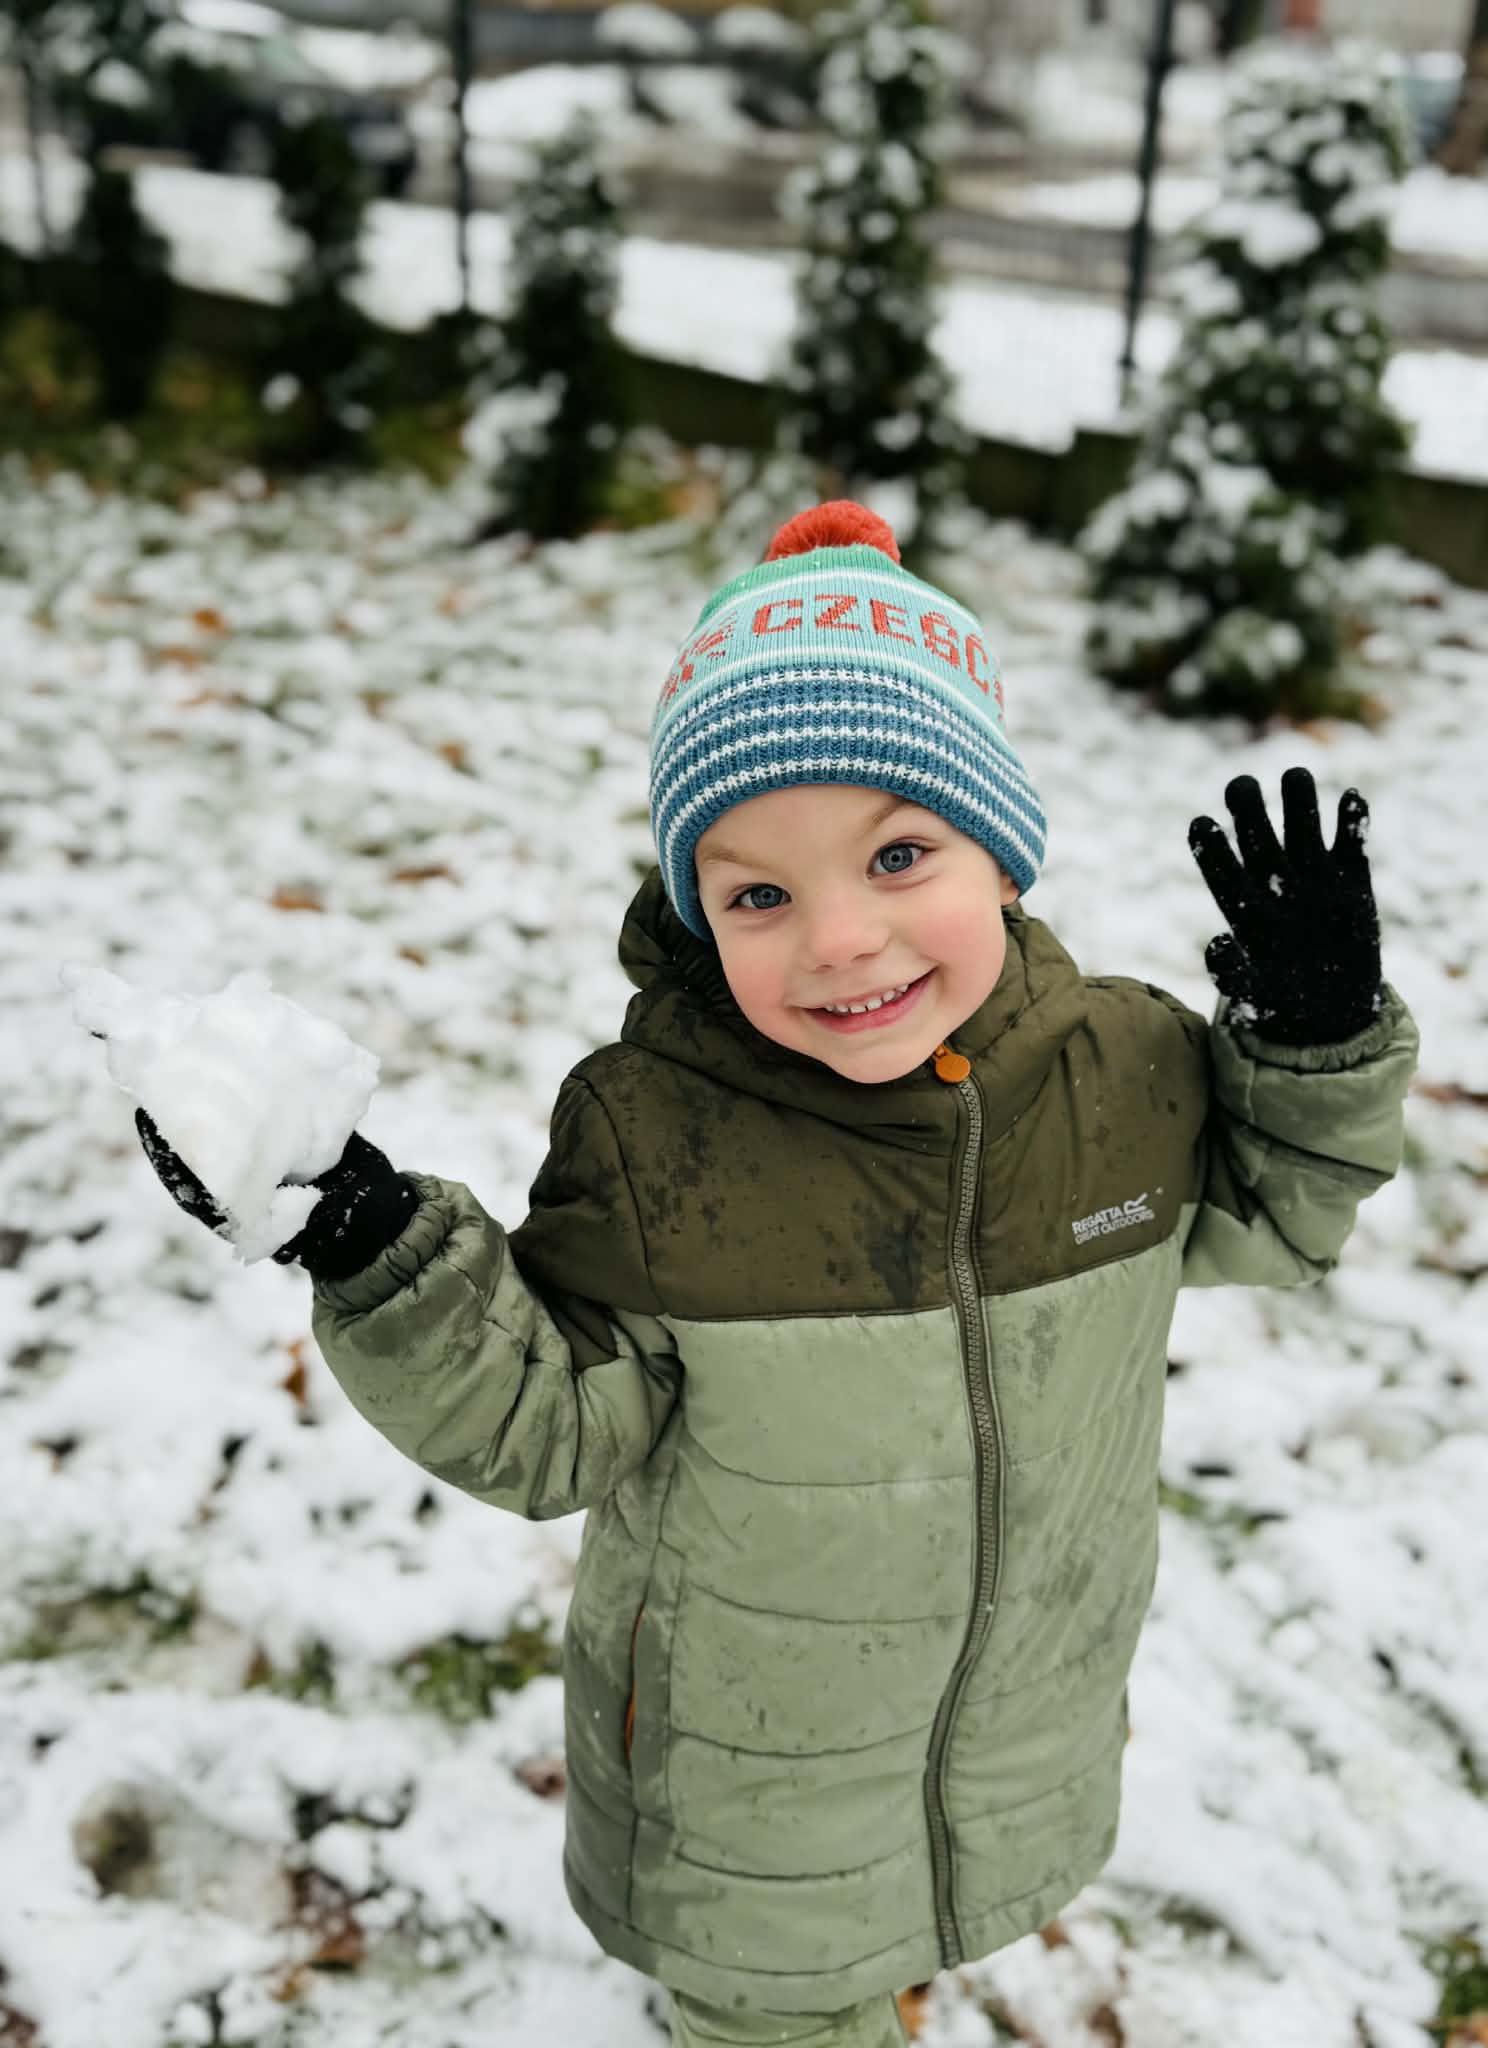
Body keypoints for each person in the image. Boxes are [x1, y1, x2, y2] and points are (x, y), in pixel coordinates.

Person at [128, 501, 1419, 2048]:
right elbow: (550, 1425)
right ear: (700, 914)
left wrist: (1313, 1041)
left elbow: (1277, 1216)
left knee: (904, 1934)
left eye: (900, 853)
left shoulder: (1123, 1072)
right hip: (745, 1786)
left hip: (1026, 1722)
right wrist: (372, 1249)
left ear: (1004, 856)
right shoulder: (661, 1140)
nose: (842, 940)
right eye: (758, 894)